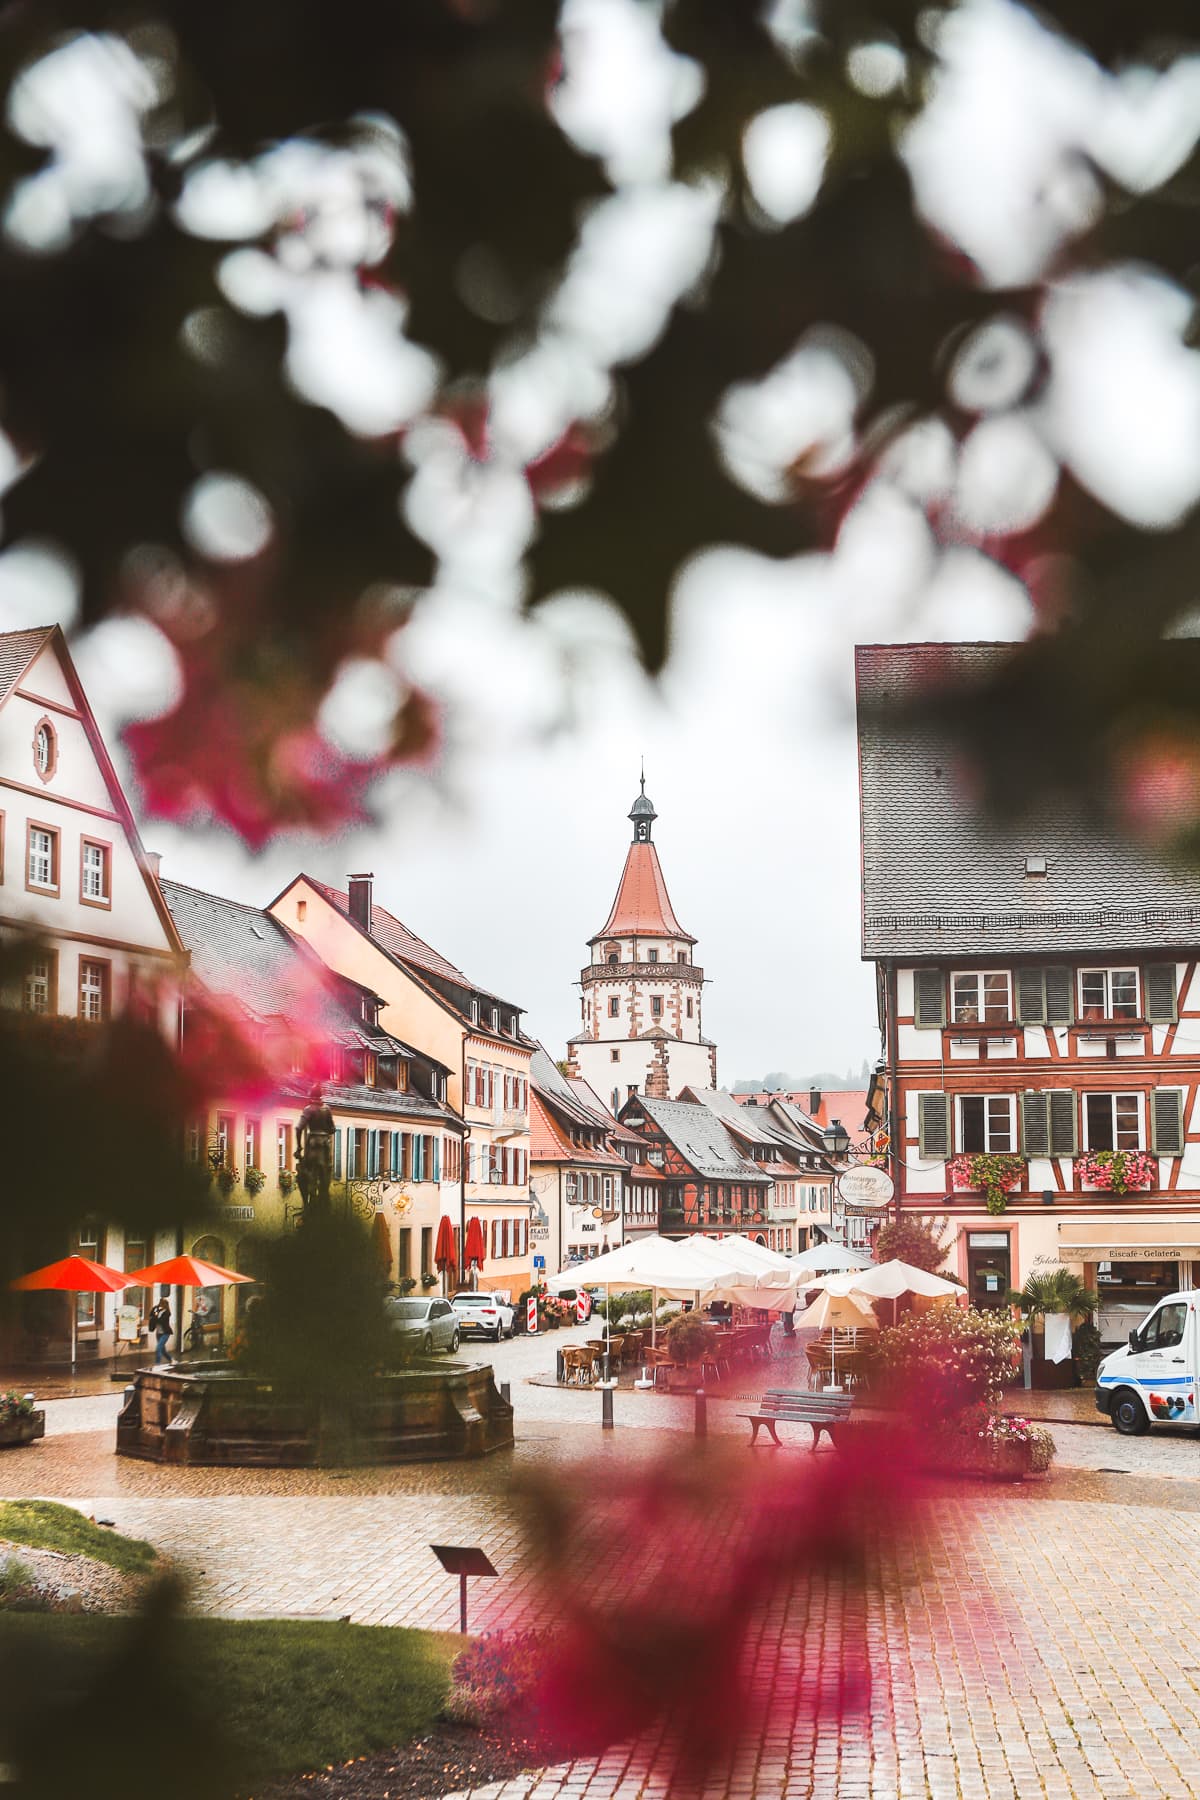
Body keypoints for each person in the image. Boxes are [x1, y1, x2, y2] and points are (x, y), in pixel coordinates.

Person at [148, 1292, 172, 1364]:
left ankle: (157, 1364)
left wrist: (155, 1316)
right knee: (163, 1350)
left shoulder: (167, 1312)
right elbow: (151, 1314)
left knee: (158, 1348)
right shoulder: (158, 1310)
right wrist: (155, 1309)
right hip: (158, 1333)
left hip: (165, 1333)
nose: (160, 1305)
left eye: (161, 1304)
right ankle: (171, 1360)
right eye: (159, 1303)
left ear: (165, 1305)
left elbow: (161, 1320)